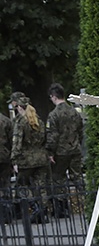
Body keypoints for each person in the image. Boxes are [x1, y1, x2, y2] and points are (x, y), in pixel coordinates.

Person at [46, 83, 85, 218]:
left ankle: (62, 208)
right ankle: (87, 202)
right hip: (75, 149)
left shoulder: (53, 115)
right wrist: (77, 144)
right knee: (77, 176)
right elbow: (80, 131)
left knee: (59, 179)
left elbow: (52, 135)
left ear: (54, 96)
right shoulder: (74, 112)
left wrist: (50, 152)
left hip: (61, 152)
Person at [10, 93, 50, 221]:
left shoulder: (21, 122)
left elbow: (17, 142)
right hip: (41, 157)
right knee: (41, 186)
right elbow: (46, 140)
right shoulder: (40, 122)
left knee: (22, 186)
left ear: (20, 108)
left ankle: (35, 207)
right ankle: (43, 212)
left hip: (26, 159)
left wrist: (14, 160)